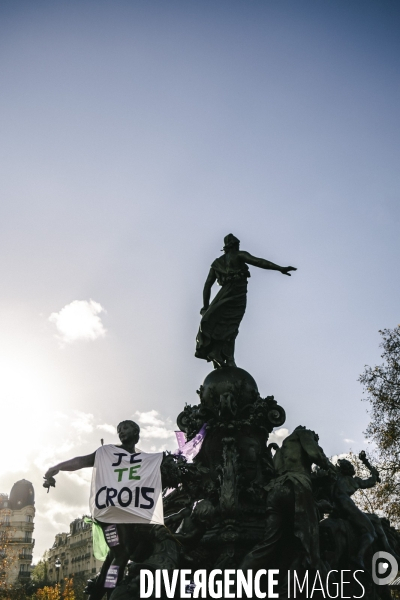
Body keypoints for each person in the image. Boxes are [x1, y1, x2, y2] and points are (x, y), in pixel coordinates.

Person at [44, 420, 167, 600]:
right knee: (122, 552)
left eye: (125, 428)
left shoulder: (144, 459)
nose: (121, 432)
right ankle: (111, 592)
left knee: (117, 554)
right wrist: (56, 468)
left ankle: (100, 591)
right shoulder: (107, 452)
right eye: (118, 430)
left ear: (136, 431)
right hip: (108, 512)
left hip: (127, 513)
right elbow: (82, 460)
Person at [240, 426, 334, 573]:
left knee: (269, 545)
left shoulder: (281, 450)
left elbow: (275, 470)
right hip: (296, 486)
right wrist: (330, 468)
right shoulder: (304, 433)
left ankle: (235, 581)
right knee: (307, 547)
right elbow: (315, 454)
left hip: (275, 491)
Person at [195, 233, 296, 368]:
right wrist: (279, 268)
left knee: (223, 324)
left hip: (224, 295)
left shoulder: (217, 264)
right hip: (237, 294)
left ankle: (219, 354)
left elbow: (207, 285)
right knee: (231, 326)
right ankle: (226, 357)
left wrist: (205, 307)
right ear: (234, 246)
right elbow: (259, 261)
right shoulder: (239, 255)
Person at [332, 452, 380, 568]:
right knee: (371, 532)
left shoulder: (335, 477)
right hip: (347, 505)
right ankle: (359, 557)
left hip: (335, 507)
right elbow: (372, 480)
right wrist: (366, 462)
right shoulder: (355, 481)